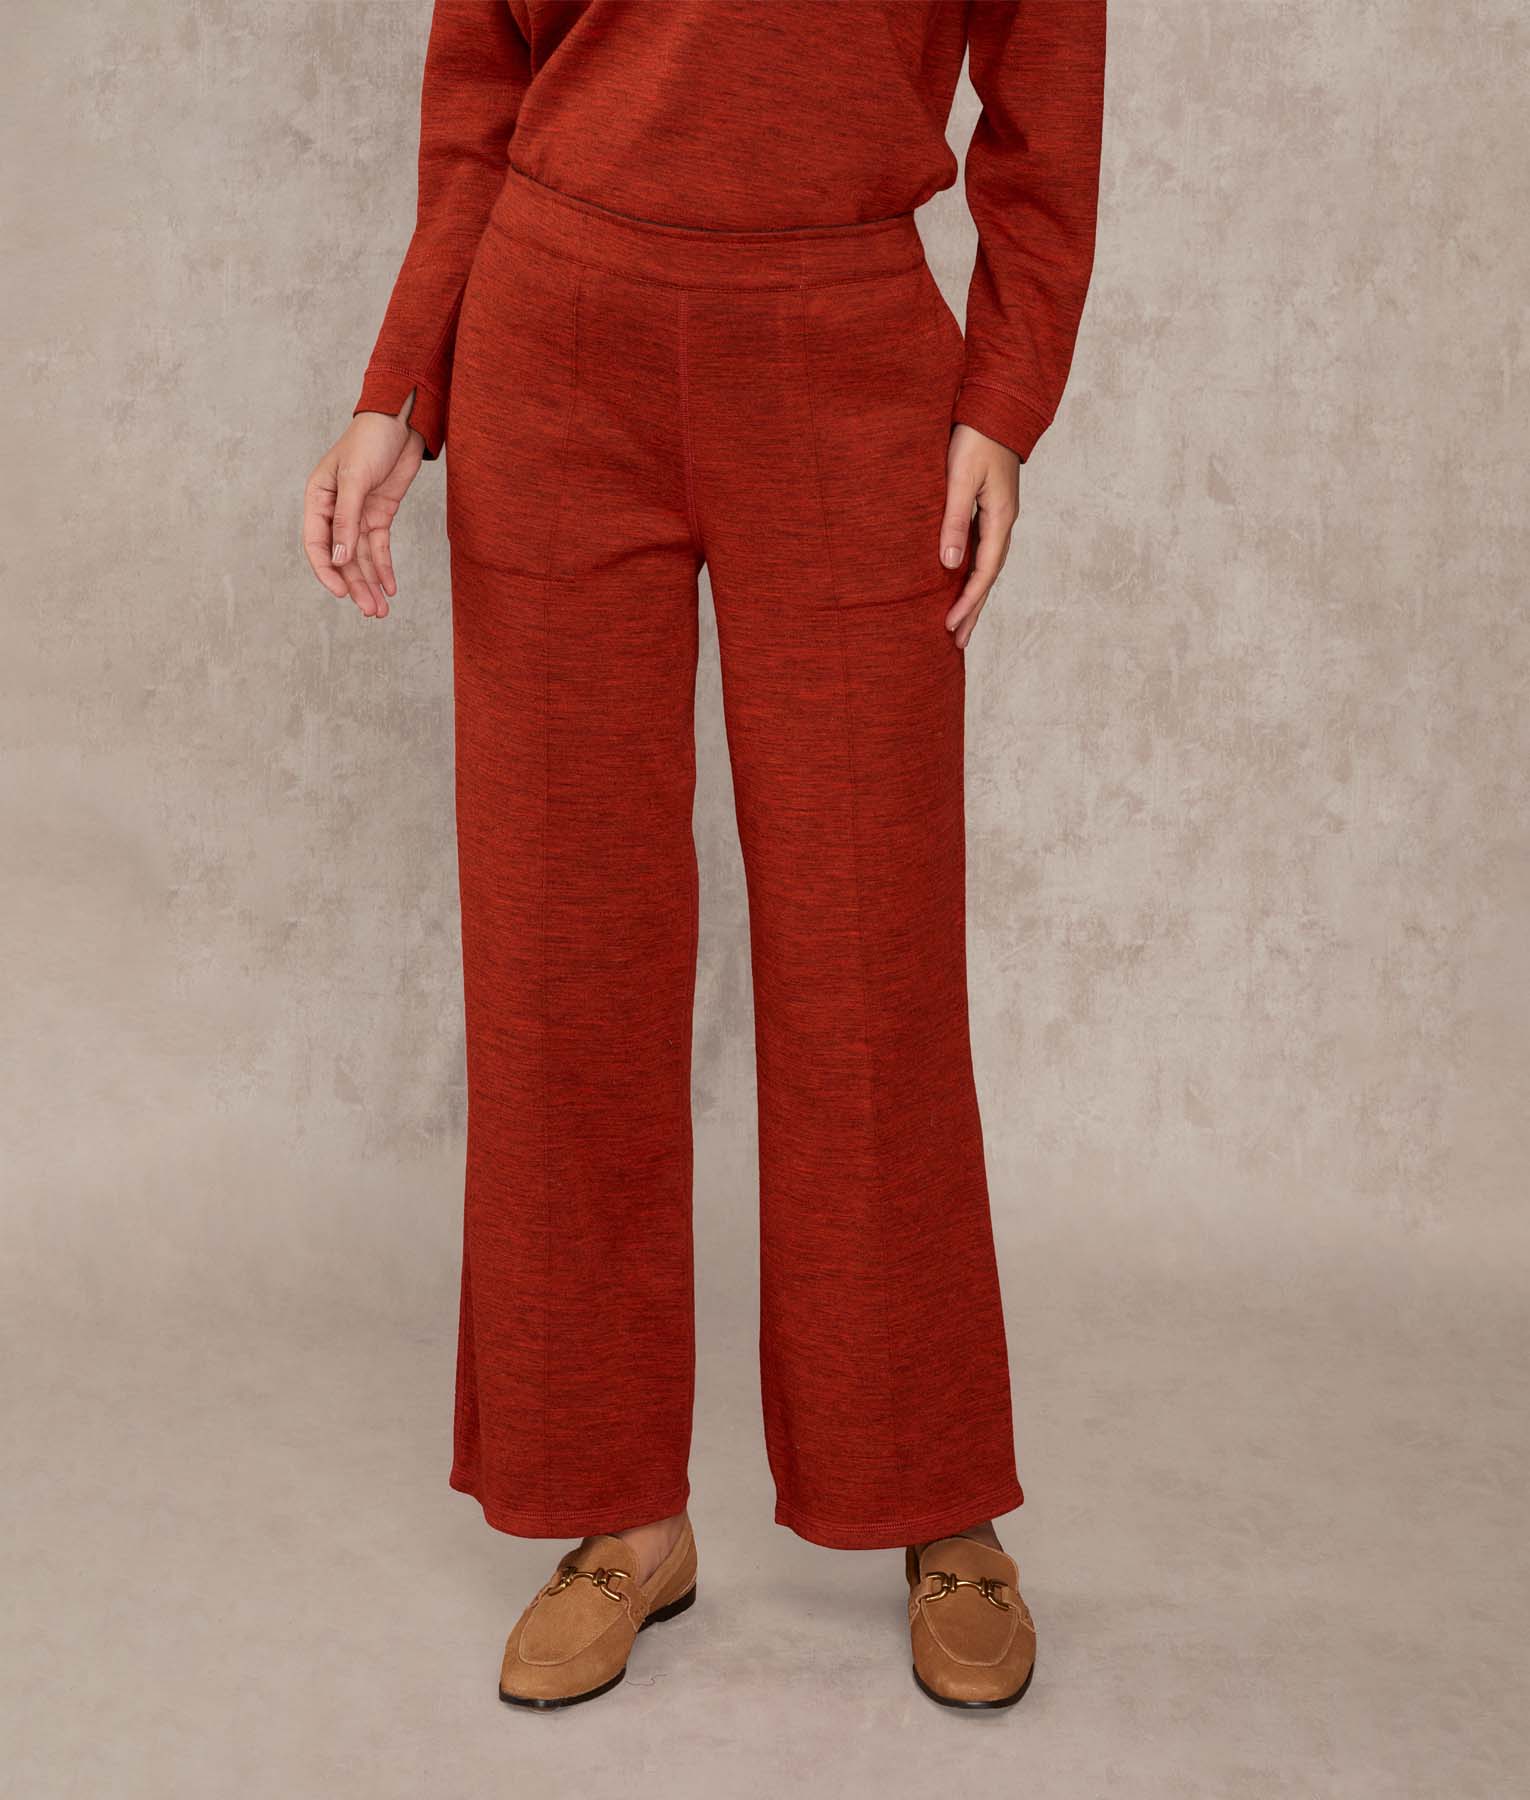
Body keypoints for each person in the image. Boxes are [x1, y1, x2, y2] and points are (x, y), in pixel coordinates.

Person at [301, 0, 1104, 1712]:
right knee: (561, 952)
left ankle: (936, 1499)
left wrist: (1002, 398)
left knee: (868, 957)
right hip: (552, 338)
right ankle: (616, 1512)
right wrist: (398, 386)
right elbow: (480, 83)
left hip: (843, 344)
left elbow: (1045, 101)